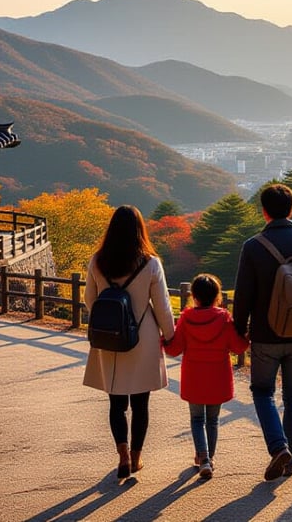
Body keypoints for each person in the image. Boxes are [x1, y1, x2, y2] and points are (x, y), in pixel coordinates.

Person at [233, 183, 292, 481]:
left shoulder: (253, 246)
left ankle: (278, 447)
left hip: (265, 336)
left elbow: (243, 296)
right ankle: (290, 461)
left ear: (264, 211)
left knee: (262, 391)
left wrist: (240, 331)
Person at [82, 205, 176, 480]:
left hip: (110, 337)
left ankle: (121, 454)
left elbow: (90, 300)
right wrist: (169, 335)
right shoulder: (150, 263)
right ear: (139, 230)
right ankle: (136, 457)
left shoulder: (97, 260)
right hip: (142, 336)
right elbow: (162, 305)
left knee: (116, 404)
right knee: (141, 404)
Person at [164, 273, 249, 479]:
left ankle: (202, 458)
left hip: (194, 376)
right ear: (217, 296)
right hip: (218, 376)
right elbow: (237, 347)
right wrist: (247, 337)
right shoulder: (223, 318)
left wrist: (162, 340)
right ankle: (209, 458)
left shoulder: (186, 318)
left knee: (196, 419)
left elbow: (174, 349)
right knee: (212, 420)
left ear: (194, 296)